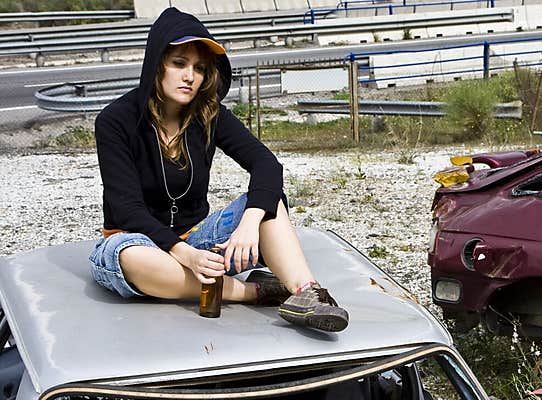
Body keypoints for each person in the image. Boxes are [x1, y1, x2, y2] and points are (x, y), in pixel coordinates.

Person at [89, 7, 348, 332]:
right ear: (157, 64)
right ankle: (254, 292)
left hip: (197, 238)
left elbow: (267, 164)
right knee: (128, 257)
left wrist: (249, 224)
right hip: (138, 243)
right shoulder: (116, 121)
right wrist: (186, 256)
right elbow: (127, 210)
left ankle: (306, 293)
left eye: (199, 68)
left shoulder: (208, 114)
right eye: (179, 64)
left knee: (268, 202)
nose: (190, 77)